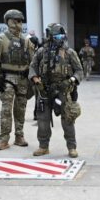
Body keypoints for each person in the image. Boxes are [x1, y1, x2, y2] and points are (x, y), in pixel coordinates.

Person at [29, 23, 83, 158]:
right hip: (44, 91)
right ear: (50, 37)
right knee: (43, 120)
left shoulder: (69, 53)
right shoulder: (41, 52)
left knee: (68, 120)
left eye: (61, 36)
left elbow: (79, 71)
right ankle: (43, 147)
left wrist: (71, 80)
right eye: (57, 36)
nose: (60, 38)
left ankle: (72, 147)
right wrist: (36, 79)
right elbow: (32, 67)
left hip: (63, 91)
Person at [0, 9, 36, 150]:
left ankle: (19, 136)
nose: (18, 23)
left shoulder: (26, 41)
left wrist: (32, 76)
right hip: (7, 79)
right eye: (15, 20)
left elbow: (33, 61)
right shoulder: (1, 39)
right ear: (8, 21)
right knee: (6, 110)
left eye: (20, 20)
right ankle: (4, 139)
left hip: (23, 79)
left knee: (20, 109)